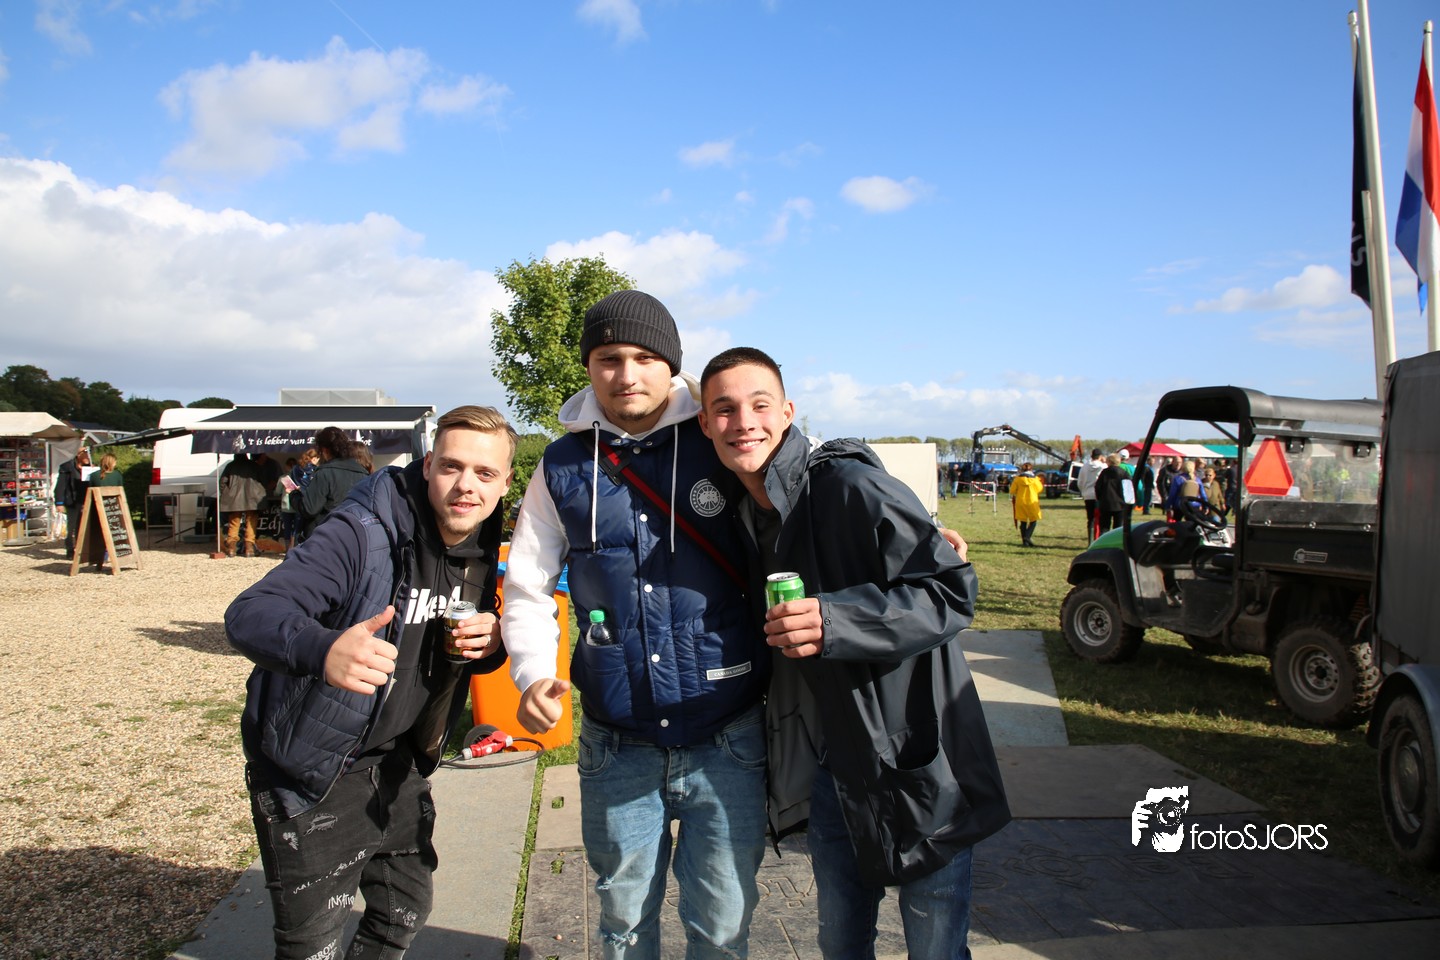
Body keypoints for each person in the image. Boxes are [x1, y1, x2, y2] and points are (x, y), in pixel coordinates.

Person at [696, 347, 1010, 960]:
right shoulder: (745, 514)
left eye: (760, 405)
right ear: (704, 423)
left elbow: (950, 592)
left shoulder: (849, 487)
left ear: (788, 413)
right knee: (840, 942)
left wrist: (836, 619)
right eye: (724, 409)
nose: (744, 422)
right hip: (834, 771)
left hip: (917, 758)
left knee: (936, 947)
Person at [501, 289, 771, 959]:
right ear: (589, 366)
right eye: (609, 358)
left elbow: (819, 483)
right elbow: (528, 583)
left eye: (646, 358)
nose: (627, 375)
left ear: (672, 365)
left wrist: (904, 531)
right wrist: (531, 673)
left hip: (727, 734)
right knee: (622, 926)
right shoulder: (561, 465)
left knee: (722, 928)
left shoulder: (721, 435)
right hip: (617, 742)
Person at [225, 404, 515, 960]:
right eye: (451, 466)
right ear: (427, 466)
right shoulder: (361, 532)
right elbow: (249, 613)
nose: (466, 486)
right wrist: (323, 648)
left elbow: (452, 647)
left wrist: (490, 643)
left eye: (485, 473)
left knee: (402, 910)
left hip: (399, 763)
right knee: (311, 946)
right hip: (316, 768)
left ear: (505, 482)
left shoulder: (479, 544)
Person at [300, 428, 369, 540]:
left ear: (325, 450)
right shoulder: (363, 473)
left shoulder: (324, 473)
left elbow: (310, 509)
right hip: (354, 535)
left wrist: (294, 496)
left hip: (325, 536)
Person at [219, 453, 266, 558]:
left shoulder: (230, 466)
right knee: (251, 522)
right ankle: (249, 548)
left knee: (234, 522)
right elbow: (263, 480)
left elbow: (222, 482)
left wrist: (226, 494)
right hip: (253, 498)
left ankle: (232, 548)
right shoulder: (254, 465)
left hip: (234, 499)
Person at [54, 446, 90, 560]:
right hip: (72, 501)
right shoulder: (67, 467)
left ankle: (81, 550)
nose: (88, 455)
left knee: (82, 526)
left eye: (88, 452)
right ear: (78, 455)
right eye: (85, 452)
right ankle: (70, 550)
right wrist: (59, 502)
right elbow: (60, 485)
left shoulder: (90, 467)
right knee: (71, 526)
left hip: (85, 500)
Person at [1009, 461, 1044, 547]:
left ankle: (1025, 542)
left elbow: (1012, 491)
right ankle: (1027, 537)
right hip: (1032, 501)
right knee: (1033, 520)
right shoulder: (1035, 480)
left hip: (1021, 502)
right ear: (1031, 469)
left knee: (1023, 521)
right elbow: (1040, 489)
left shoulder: (1017, 479)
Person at [1093, 453, 1130, 533]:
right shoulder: (1124, 473)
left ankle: (1104, 540)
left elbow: (1098, 487)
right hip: (1120, 504)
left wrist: (1099, 498)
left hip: (1105, 503)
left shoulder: (1104, 473)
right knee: (1118, 528)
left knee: (1104, 527)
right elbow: (1128, 489)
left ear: (1109, 461)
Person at [1076, 448, 1104, 541]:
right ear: (1100, 456)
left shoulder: (1084, 467)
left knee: (1090, 519)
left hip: (1088, 495)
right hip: (1099, 496)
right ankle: (1098, 539)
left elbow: (1080, 482)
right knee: (1099, 519)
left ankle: (1090, 540)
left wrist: (1083, 491)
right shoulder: (1103, 467)